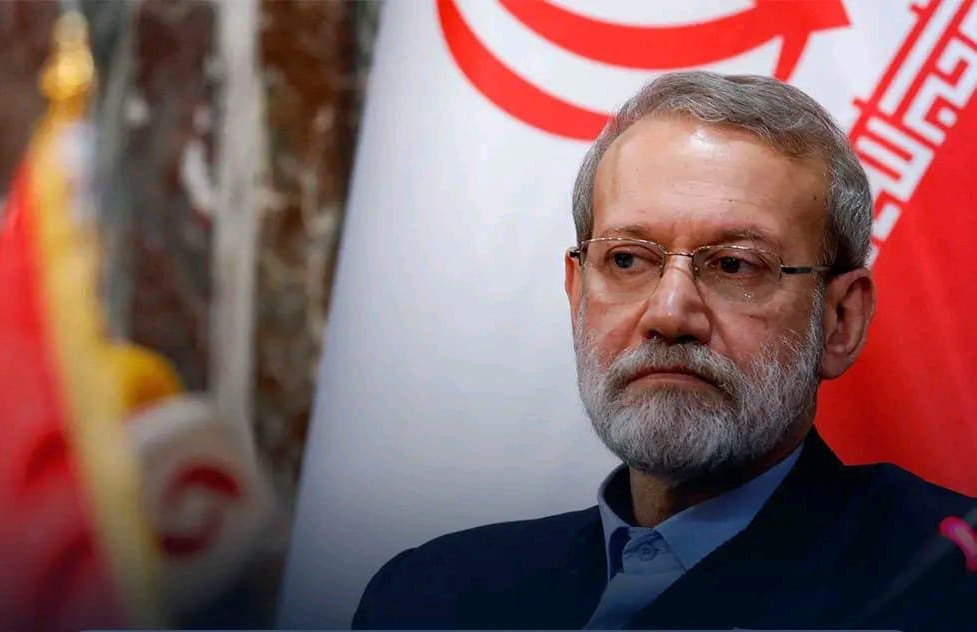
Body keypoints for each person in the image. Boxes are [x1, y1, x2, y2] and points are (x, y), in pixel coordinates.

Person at [351, 71, 975, 630]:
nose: (669, 314)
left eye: (735, 265)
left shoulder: (943, 581)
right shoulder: (429, 598)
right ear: (577, 293)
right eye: (627, 260)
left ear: (840, 320)